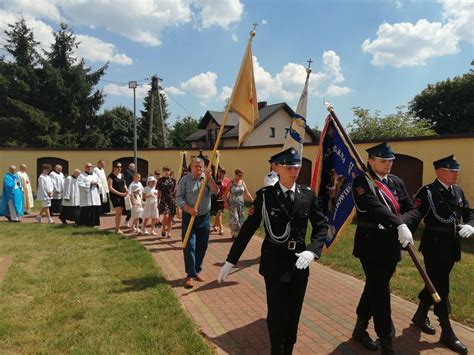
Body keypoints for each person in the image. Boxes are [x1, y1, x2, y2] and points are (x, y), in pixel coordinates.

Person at [217, 148, 328, 354]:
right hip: (274, 262)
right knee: (277, 315)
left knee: (294, 313)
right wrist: (230, 261)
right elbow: (248, 230)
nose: (294, 171)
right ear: (277, 168)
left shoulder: (307, 195)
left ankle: (288, 349)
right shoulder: (266, 196)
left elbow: (321, 226)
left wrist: (312, 251)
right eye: (289, 167)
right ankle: (277, 350)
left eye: (297, 167)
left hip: (299, 263)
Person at [351, 142, 419, 354]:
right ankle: (387, 340)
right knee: (381, 292)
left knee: (374, 285)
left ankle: (360, 328)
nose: (388, 164)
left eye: (390, 160)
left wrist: (404, 224)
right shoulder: (362, 181)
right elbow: (373, 206)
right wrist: (399, 224)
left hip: (392, 245)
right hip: (371, 245)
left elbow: (412, 208)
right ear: (370, 161)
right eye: (383, 160)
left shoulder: (396, 182)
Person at [411, 155, 473, 354]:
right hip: (433, 246)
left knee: (435, 282)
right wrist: (404, 233)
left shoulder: (458, 191)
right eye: (452, 171)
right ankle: (447, 331)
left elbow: (470, 212)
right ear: (439, 172)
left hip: (451, 246)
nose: (456, 174)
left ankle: (420, 316)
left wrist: (472, 225)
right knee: (442, 287)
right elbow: (414, 214)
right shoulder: (428, 191)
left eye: (457, 171)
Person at [176, 157, 218, 289]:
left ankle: (197, 270)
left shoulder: (207, 179)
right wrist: (188, 209)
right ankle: (190, 275)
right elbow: (178, 198)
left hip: (204, 217)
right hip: (189, 217)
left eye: (201, 166)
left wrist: (210, 179)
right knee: (190, 246)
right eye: (196, 166)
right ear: (191, 167)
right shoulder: (185, 180)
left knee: (202, 245)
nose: (199, 168)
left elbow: (216, 191)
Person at [226, 169, 254, 239]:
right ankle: (236, 234)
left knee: (241, 218)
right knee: (235, 219)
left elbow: (246, 192)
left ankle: (238, 235)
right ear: (236, 175)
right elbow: (225, 194)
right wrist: (225, 203)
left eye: (242, 175)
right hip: (232, 203)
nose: (241, 177)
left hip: (240, 203)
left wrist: (252, 200)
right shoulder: (231, 183)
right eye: (239, 175)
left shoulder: (242, 182)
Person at [77, 163, 102, 227]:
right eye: (88, 167)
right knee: (87, 210)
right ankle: (86, 224)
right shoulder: (81, 175)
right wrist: (90, 184)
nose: (89, 168)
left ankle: (94, 223)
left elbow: (100, 183)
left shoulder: (95, 175)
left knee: (94, 210)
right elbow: (80, 185)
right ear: (85, 168)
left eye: (91, 167)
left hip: (95, 194)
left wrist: (97, 184)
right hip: (86, 196)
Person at [108, 161, 127, 234]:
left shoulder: (122, 175)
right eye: (118, 167)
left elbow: (124, 184)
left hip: (122, 195)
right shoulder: (111, 176)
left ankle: (117, 228)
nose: (119, 168)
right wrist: (120, 194)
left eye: (120, 167)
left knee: (120, 212)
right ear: (114, 168)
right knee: (118, 211)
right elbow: (110, 188)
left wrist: (126, 189)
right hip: (115, 196)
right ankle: (117, 228)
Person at [157, 166, 176, 238]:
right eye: (165, 171)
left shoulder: (173, 180)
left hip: (171, 199)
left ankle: (169, 232)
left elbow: (174, 191)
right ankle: (163, 229)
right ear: (163, 171)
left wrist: (175, 199)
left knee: (170, 217)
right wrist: (157, 201)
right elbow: (159, 191)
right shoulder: (160, 180)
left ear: (170, 171)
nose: (167, 172)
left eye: (168, 171)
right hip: (164, 199)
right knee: (166, 215)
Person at [212, 168, 231, 235]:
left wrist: (227, 198)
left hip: (224, 198)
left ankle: (214, 225)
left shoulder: (227, 180)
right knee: (219, 212)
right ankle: (221, 228)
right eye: (219, 172)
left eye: (221, 172)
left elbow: (229, 190)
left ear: (223, 173)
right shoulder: (216, 180)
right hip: (217, 198)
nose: (219, 174)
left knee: (218, 213)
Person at [123, 162, 135, 227]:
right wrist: (127, 189)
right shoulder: (128, 172)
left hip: (133, 192)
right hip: (129, 191)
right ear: (130, 167)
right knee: (130, 207)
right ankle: (127, 221)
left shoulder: (130, 172)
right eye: (134, 167)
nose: (134, 168)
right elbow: (127, 181)